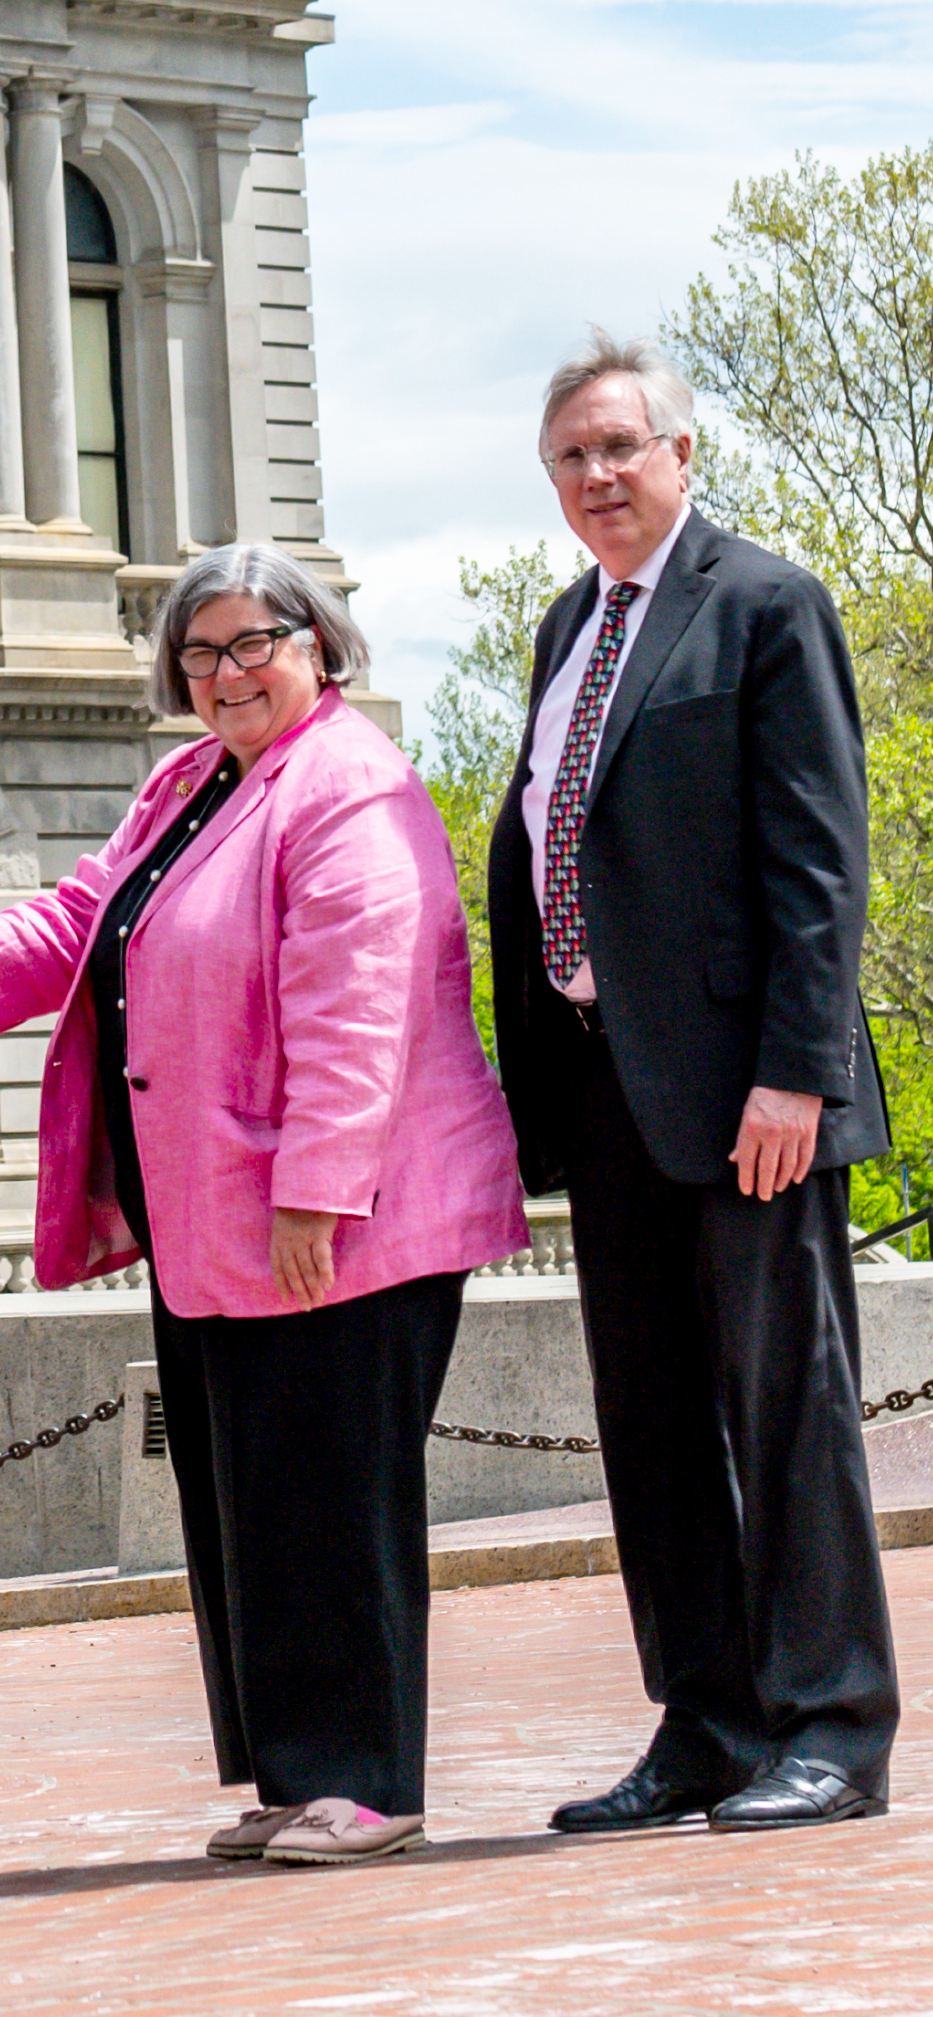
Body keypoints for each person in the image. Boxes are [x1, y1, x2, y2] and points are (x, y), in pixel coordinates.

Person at [0, 542, 529, 1867]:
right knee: (252, 1494)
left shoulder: (348, 787)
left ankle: (367, 1780)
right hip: (214, 1213)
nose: (225, 672)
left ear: (320, 646)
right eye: (199, 652)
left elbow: (357, 1012)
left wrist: (315, 1194)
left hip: (344, 1219)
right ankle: (296, 1770)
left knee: (335, 1491)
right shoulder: (188, 783)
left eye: (253, 641)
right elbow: (84, 917)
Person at [486, 332, 898, 1834]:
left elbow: (816, 860)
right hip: (608, 1091)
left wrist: (794, 1072)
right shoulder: (563, 630)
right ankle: (706, 1722)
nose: (594, 475)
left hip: (746, 1096)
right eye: (568, 458)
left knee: (784, 1410)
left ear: (678, 455)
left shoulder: (765, 605)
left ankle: (831, 1726)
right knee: (650, 1416)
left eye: (616, 447)